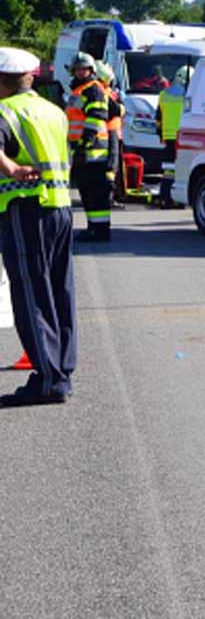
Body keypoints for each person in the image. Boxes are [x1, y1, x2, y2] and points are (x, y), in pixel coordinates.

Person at [0, 48, 76, 406]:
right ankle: (61, 368)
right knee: (59, 289)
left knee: (31, 290)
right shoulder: (54, 111)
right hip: (60, 208)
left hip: (25, 208)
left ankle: (47, 379)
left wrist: (12, 168)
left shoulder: (5, 111)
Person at [65, 52, 112, 242]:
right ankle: (94, 227)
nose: (79, 72)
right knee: (87, 192)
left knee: (96, 193)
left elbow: (97, 116)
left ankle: (100, 230)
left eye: (83, 69)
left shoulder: (93, 89)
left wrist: (85, 142)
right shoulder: (79, 90)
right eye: (77, 69)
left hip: (93, 151)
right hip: (81, 150)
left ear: (91, 70)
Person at [155, 65, 189, 207]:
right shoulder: (188, 96)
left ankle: (165, 198)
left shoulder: (164, 94)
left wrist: (160, 134)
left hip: (168, 138)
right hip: (184, 138)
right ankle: (179, 199)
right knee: (182, 170)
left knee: (168, 170)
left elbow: (158, 118)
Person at [95, 61, 126, 204]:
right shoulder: (103, 91)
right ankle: (108, 196)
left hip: (110, 132)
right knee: (111, 166)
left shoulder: (101, 90)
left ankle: (110, 195)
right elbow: (118, 110)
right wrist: (121, 107)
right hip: (110, 132)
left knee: (111, 167)